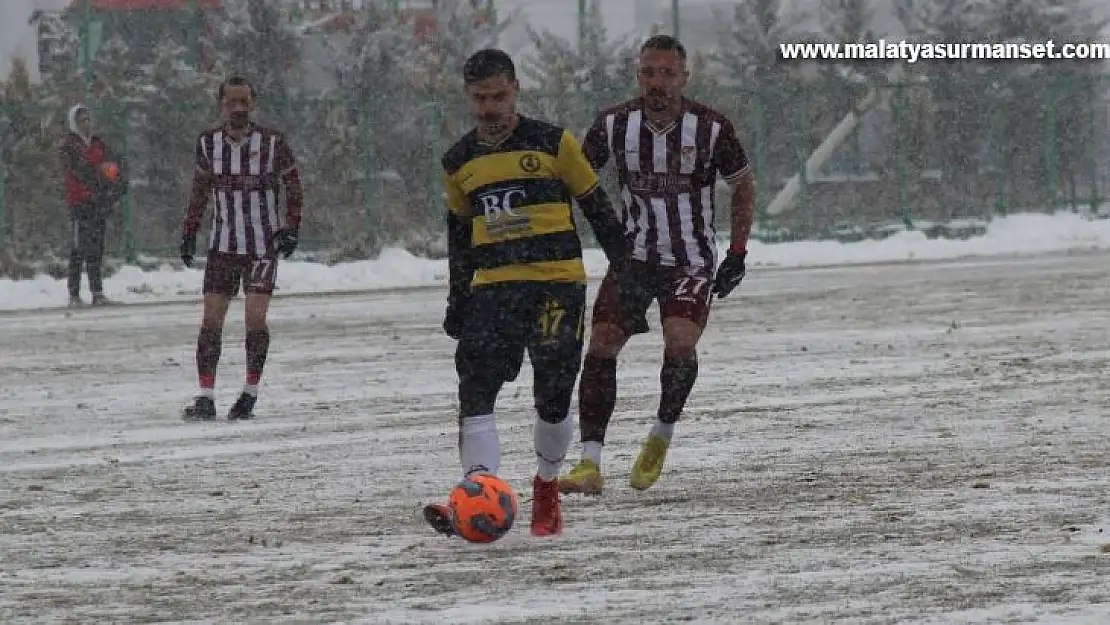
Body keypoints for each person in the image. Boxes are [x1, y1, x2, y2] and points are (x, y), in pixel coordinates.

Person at [422, 49, 631, 538]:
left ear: (515, 89)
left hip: (556, 284)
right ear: (467, 97)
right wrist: (458, 297)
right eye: (480, 99)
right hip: (493, 288)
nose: (490, 107)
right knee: (475, 386)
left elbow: (597, 208)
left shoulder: (554, 143)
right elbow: (460, 234)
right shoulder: (458, 161)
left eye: (498, 96)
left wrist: (627, 273)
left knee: (552, 394)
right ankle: (476, 488)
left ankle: (546, 486)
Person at [559, 34, 755, 495]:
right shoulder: (612, 124)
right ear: (638, 75)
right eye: (649, 73)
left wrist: (738, 253)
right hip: (633, 258)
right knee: (602, 344)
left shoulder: (711, 127)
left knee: (680, 341)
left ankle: (661, 436)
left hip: (690, 259)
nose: (657, 83)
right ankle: (589, 463)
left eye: (667, 74)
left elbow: (743, 186)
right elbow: (576, 179)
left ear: (684, 78)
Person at [179, 76, 304, 421]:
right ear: (221, 104)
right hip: (223, 247)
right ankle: (205, 395)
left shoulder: (273, 143)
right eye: (231, 102)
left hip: (263, 246)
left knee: (255, 318)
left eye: (244, 102)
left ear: (253, 104)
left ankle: (249, 392)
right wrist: (189, 232)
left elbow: (293, 187)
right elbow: (200, 191)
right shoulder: (208, 143)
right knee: (211, 319)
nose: (238, 109)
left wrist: (291, 228)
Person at [60, 103, 128, 307]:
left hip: (98, 202)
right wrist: (101, 175)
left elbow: (113, 166)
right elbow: (81, 170)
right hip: (80, 202)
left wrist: (113, 183)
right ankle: (74, 293)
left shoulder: (98, 144)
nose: (86, 124)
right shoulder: (69, 145)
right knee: (79, 247)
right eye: (82, 121)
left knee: (96, 247)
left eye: (88, 120)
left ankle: (97, 291)